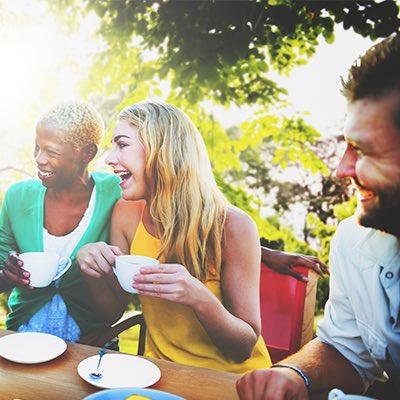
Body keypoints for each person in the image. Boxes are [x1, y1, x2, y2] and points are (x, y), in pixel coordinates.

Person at [236, 33, 400, 399]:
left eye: (364, 150)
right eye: (345, 146)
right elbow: (346, 350)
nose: (342, 169)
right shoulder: (355, 242)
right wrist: (296, 374)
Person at [76, 100, 272, 373]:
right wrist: (89, 265)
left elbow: (243, 347)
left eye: (122, 144)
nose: (109, 158)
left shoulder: (232, 226)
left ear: (163, 151)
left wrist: (198, 297)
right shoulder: (126, 212)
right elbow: (112, 312)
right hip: (158, 375)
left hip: (230, 382)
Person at [0, 101, 124, 343]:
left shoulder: (117, 194)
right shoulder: (17, 197)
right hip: (24, 337)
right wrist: (10, 274)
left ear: (88, 153)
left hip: (91, 344)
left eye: (51, 152)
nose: (39, 159)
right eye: (36, 148)